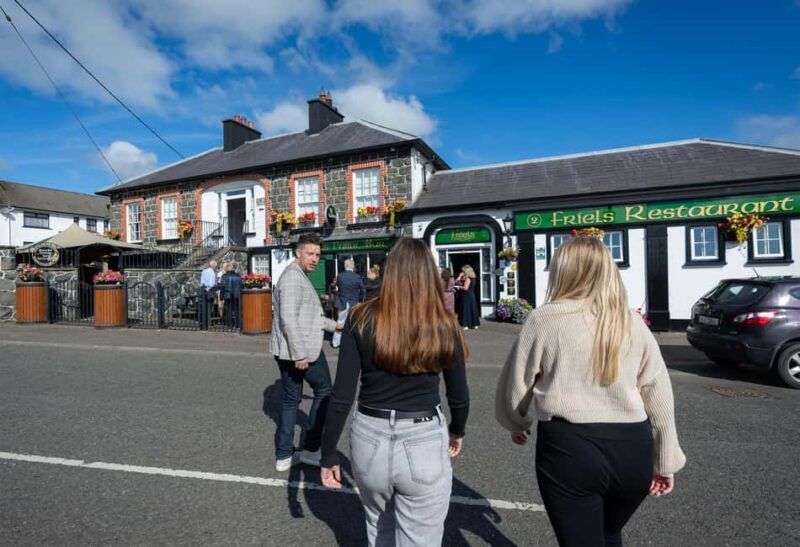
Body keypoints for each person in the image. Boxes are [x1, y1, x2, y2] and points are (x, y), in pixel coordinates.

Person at [495, 236, 686, 547]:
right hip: (633, 451)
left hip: (570, 451)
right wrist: (665, 460)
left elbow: (516, 384)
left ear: (562, 271)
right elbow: (658, 393)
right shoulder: (632, 322)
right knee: (610, 535)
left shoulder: (544, 319)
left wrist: (517, 423)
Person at [320, 238, 470, 547]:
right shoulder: (443, 324)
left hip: (369, 437)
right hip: (423, 435)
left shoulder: (360, 318)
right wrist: (457, 430)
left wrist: (328, 453)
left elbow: (342, 396)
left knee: (379, 530)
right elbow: (459, 394)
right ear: (428, 274)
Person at [271, 233, 343, 472]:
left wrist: (336, 326)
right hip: (302, 351)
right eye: (310, 254)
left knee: (291, 400)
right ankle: (311, 449)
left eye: (318, 255)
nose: (314, 259)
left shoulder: (299, 275)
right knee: (325, 392)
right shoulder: (293, 278)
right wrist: (300, 354)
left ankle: (284, 455)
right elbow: (289, 319)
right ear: (298, 253)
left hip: (292, 349)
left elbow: (310, 317)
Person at [332, 258, 365, 348]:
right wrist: (360, 300)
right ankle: (355, 342)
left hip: (342, 302)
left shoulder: (340, 276)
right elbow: (363, 290)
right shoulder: (357, 277)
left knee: (340, 322)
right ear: (353, 266)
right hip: (354, 303)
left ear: (345, 266)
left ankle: (336, 342)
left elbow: (337, 286)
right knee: (355, 323)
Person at [456, 265, 480, 330]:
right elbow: (457, 281)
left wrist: (459, 287)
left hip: (467, 295)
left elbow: (465, 288)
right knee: (472, 309)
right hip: (472, 295)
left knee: (466, 310)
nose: (462, 272)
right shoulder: (473, 278)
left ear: (467, 272)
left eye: (463, 271)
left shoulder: (468, 279)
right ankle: (475, 324)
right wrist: (460, 276)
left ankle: (466, 325)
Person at [219, 262, 243, 328]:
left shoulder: (224, 276)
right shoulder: (238, 276)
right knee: (237, 310)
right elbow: (241, 285)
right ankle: (238, 324)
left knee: (228, 310)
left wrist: (221, 297)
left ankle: (229, 325)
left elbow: (222, 286)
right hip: (237, 295)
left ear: (226, 268)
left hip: (228, 295)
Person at [199, 259, 218, 329]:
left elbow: (201, 282)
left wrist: (204, 287)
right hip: (209, 291)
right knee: (209, 308)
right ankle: (207, 324)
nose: (216, 267)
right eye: (215, 265)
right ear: (213, 266)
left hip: (203, 290)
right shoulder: (212, 273)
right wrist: (209, 288)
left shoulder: (203, 271)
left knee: (203, 307)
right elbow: (212, 283)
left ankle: (202, 323)